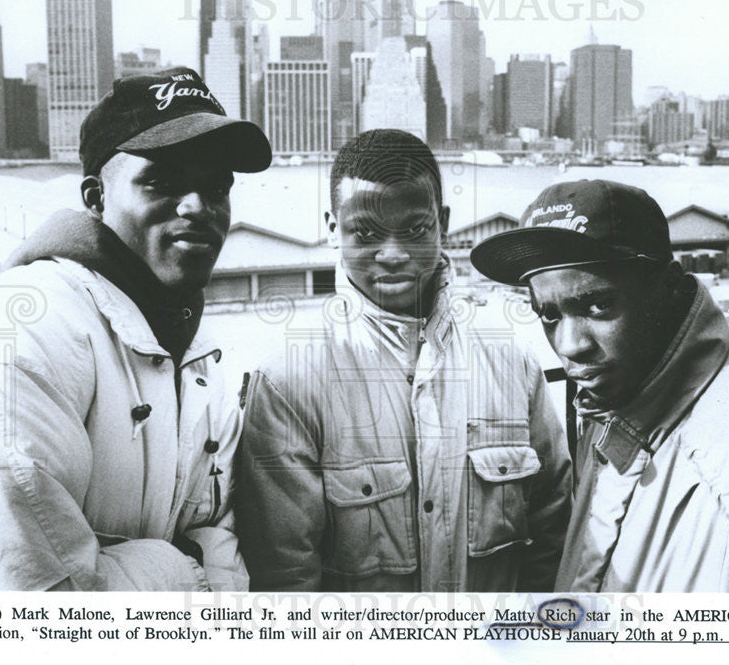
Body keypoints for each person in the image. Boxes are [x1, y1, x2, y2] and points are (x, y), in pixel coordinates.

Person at [0, 67, 272, 591]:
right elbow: (40, 606)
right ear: (95, 197)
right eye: (161, 180)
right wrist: (186, 570)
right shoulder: (16, 335)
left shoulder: (192, 348)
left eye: (216, 186)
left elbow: (214, 526)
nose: (198, 207)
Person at [471, 179, 729, 592]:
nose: (570, 345)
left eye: (599, 305)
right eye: (549, 314)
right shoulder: (620, 395)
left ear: (668, 289)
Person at [234, 129, 571, 592]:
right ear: (333, 229)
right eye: (365, 233)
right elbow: (287, 581)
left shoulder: (513, 365)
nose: (392, 255)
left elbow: (553, 533)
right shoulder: (289, 383)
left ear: (443, 224)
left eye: (414, 230)